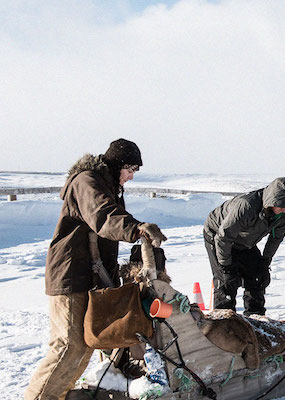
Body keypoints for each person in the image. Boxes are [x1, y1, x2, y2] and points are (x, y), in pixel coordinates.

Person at [25, 138, 166, 400]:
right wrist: (135, 228)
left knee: (84, 345)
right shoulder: (87, 182)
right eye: (130, 169)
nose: (131, 177)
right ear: (117, 165)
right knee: (68, 347)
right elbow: (103, 216)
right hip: (71, 275)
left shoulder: (107, 186)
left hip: (87, 278)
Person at [204, 177, 285, 316]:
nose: (284, 209)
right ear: (271, 200)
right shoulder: (246, 206)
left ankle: (256, 319)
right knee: (226, 283)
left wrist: (264, 263)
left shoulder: (284, 214)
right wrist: (226, 268)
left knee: (257, 278)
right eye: (280, 205)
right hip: (217, 235)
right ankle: (223, 323)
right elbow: (224, 237)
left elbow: (275, 239)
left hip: (245, 240)